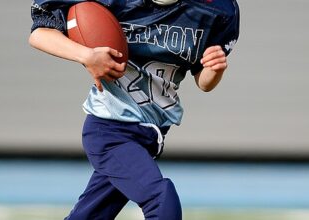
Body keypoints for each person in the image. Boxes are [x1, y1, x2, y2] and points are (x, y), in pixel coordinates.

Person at [29, 0, 239, 219]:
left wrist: (214, 68)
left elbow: (203, 82)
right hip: (110, 130)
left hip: (151, 134)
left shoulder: (214, 8)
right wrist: (86, 56)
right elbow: (39, 33)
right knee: (161, 198)